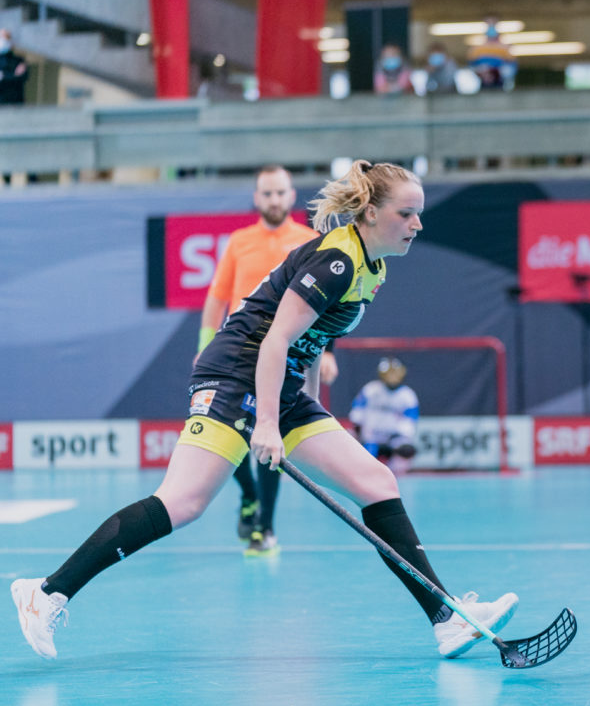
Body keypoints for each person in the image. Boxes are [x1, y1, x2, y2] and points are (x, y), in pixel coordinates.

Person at [12, 160, 518, 661]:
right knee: (182, 503)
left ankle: (446, 620)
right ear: (369, 211)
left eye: (419, 214)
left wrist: (313, 412)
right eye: (407, 213)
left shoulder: (371, 267)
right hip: (234, 376)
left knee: (377, 483)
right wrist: (270, 427)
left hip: (281, 386)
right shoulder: (336, 261)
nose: (418, 224)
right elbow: (276, 340)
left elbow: (314, 339)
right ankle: (47, 593)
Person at [198, 165, 339, 555]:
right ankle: (248, 495)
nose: (274, 200)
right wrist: (205, 345)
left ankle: (264, 527)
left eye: (280, 193)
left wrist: (324, 352)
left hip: (289, 357)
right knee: (228, 433)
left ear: (292, 196)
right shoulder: (239, 242)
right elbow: (216, 299)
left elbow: (327, 306)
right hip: (238, 355)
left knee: (273, 433)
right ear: (257, 198)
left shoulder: (311, 241)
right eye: (267, 193)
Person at [350, 356, 420, 477]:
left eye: (395, 373)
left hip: (394, 439)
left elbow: (409, 422)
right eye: (389, 373)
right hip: (371, 437)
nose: (392, 377)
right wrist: (359, 433)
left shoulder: (407, 395)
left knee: (406, 450)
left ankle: (396, 478)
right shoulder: (371, 389)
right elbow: (357, 414)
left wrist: (398, 435)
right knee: (354, 445)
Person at [466, 16, 516, 91]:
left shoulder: (505, 49)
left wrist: (497, 72)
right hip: (482, 85)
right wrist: (481, 71)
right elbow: (471, 67)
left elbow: (511, 68)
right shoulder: (476, 50)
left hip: (499, 84)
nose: (491, 27)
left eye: (493, 24)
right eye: (488, 24)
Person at [0, 28, 29, 106]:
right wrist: (14, 75)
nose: (2, 40)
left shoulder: (18, 60)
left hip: (17, 102)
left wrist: (4, 76)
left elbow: (24, 77)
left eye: (5, 37)